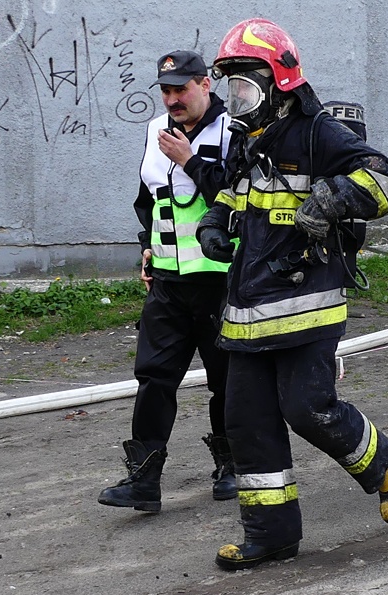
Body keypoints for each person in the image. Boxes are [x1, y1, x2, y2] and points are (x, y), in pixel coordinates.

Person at [195, 19, 388, 570]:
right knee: (246, 422)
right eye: (231, 89)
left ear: (280, 82)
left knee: (308, 410)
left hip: (307, 301)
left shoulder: (317, 134)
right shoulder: (249, 139)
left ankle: (384, 460)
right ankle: (271, 534)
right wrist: (215, 223)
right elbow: (232, 190)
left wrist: (336, 196)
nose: (237, 101)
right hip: (247, 307)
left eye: (246, 87)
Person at [98, 50, 236, 513]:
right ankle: (144, 482)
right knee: (154, 379)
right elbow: (150, 199)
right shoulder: (153, 131)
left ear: (205, 84)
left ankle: (231, 468)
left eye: (182, 88)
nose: (173, 99)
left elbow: (239, 200)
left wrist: (192, 160)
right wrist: (147, 245)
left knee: (229, 379)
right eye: (167, 90)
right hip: (168, 283)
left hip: (221, 282)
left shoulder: (234, 130)